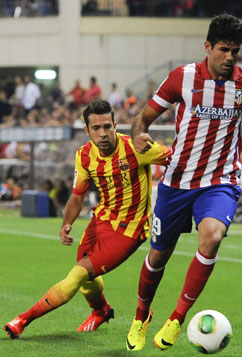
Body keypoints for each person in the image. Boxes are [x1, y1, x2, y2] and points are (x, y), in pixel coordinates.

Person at [126, 13, 242, 352]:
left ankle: (178, 318)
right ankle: (141, 315)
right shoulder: (183, 78)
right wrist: (139, 135)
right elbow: (144, 117)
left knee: (212, 237)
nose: (229, 57)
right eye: (223, 50)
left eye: (235, 51)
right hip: (177, 181)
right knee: (158, 256)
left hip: (221, 180)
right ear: (207, 47)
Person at [3, 99, 170, 339]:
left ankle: (22, 320)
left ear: (115, 125)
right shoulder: (84, 155)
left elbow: (179, 160)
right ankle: (101, 311)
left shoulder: (136, 148)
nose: (103, 133)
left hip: (129, 231)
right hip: (100, 221)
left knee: (79, 274)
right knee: (87, 276)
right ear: (87, 130)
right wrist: (66, 224)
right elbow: (77, 195)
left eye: (107, 126)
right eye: (96, 128)